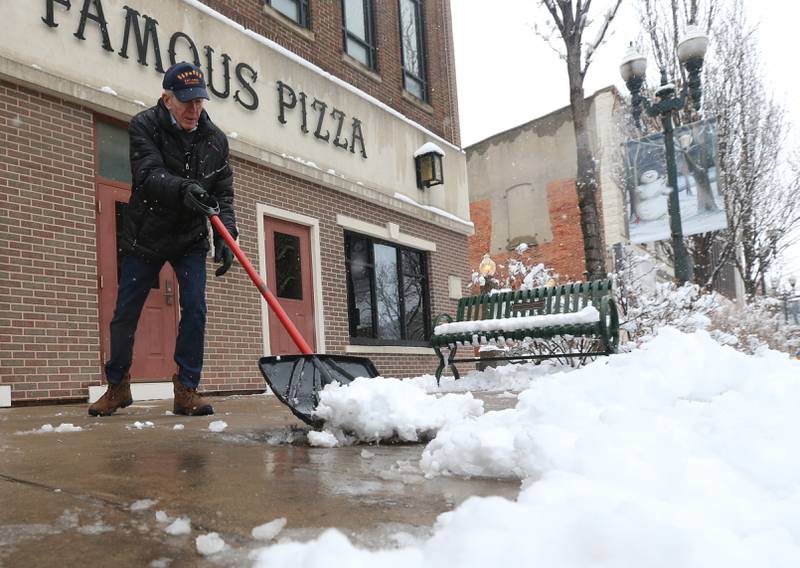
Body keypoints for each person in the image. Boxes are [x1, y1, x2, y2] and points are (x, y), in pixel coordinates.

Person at [89, 62, 238, 417]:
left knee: (196, 309)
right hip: (147, 234)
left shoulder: (215, 140)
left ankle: (187, 389)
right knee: (126, 311)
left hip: (189, 238)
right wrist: (185, 188)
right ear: (166, 98)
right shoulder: (145, 125)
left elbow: (224, 194)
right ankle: (118, 385)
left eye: (199, 101)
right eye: (185, 101)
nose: (193, 109)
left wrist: (226, 232)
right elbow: (148, 173)